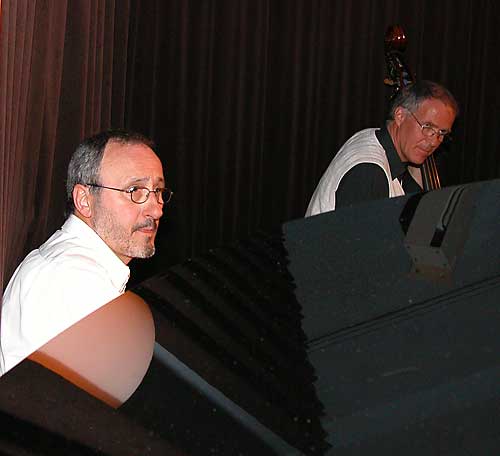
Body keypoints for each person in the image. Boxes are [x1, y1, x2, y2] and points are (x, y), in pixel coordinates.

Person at [0, 130, 171, 376]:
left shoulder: (72, 265)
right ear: (84, 200)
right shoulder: (75, 281)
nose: (156, 210)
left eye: (158, 192)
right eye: (135, 191)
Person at [305, 80, 458, 216]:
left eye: (441, 133)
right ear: (400, 116)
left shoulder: (375, 137)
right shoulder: (369, 172)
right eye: (427, 127)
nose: (434, 141)